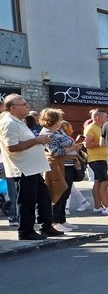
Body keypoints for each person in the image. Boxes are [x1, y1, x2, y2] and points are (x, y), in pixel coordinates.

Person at [1, 94, 63, 240]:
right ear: (13, 107)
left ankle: (46, 227)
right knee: (27, 201)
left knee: (44, 198)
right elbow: (12, 147)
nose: (28, 106)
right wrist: (37, 140)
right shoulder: (9, 123)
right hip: (23, 169)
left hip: (33, 168)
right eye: (24, 104)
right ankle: (26, 231)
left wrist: (37, 141)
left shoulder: (19, 121)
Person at [38, 108, 82, 232]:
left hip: (68, 164)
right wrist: (72, 147)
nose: (62, 120)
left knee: (65, 193)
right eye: (59, 118)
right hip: (57, 166)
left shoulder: (59, 130)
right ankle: (55, 221)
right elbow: (54, 152)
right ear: (53, 120)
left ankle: (62, 219)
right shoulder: (47, 133)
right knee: (58, 192)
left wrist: (75, 147)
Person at [83, 109, 108, 215]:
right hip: (96, 159)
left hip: (102, 158)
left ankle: (98, 206)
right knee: (104, 182)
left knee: (98, 182)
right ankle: (107, 207)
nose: (107, 118)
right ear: (97, 117)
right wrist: (102, 142)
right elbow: (87, 144)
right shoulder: (90, 128)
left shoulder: (100, 128)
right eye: (105, 117)